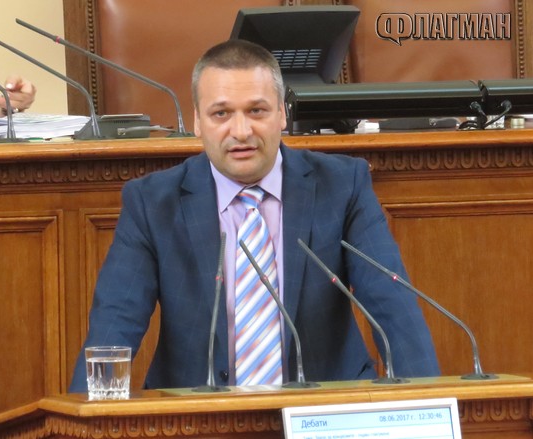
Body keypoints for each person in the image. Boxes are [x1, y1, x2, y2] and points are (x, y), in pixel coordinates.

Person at [69, 39, 439, 392]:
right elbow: (114, 326)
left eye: (256, 111)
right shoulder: (153, 203)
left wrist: (429, 410)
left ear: (282, 113)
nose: (241, 131)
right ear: (197, 121)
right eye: (221, 114)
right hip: (195, 417)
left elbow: (394, 307)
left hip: (322, 411)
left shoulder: (342, 186)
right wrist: (90, 418)